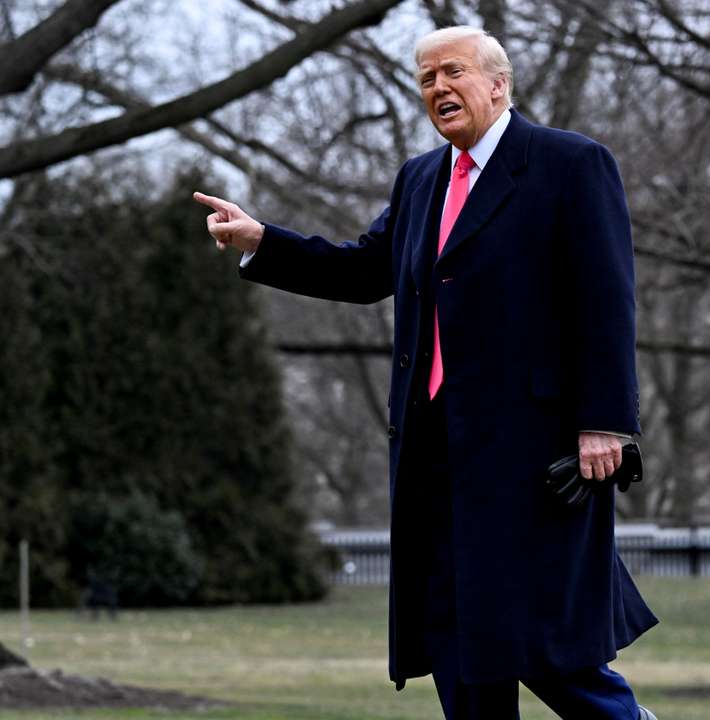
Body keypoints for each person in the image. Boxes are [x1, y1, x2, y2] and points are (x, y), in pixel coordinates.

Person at [194, 26, 658, 720]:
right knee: (455, 636)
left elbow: (607, 300)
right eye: (425, 78)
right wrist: (266, 242)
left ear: (498, 84)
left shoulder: (570, 164)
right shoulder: (420, 178)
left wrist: (606, 424)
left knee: (544, 645)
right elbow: (364, 269)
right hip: (432, 454)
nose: (438, 88)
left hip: (534, 456)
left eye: (453, 72)